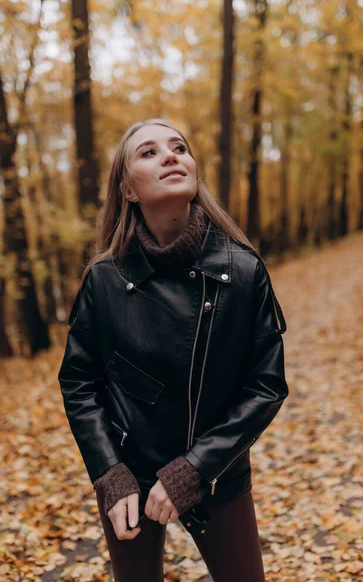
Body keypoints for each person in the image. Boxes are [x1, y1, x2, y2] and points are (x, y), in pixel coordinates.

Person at [57, 118, 289, 582]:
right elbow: (80, 383)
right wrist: (110, 472)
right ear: (127, 190)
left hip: (216, 472)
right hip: (128, 474)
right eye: (148, 152)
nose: (170, 155)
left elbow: (265, 386)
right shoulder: (103, 280)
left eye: (179, 147)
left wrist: (192, 470)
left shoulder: (242, 271)